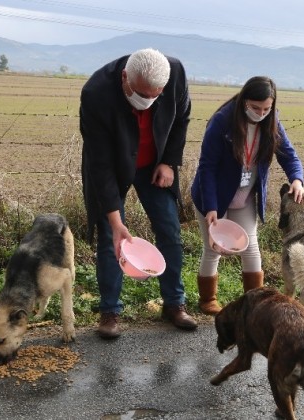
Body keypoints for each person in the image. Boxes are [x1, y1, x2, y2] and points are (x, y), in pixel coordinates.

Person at [80, 48, 196, 338]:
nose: (147, 103)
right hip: (113, 167)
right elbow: (101, 164)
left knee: (169, 230)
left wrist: (169, 161)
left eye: (154, 95)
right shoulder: (96, 93)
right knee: (112, 237)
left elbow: (181, 120)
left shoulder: (176, 74)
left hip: (155, 164)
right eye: (142, 95)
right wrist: (115, 219)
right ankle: (110, 312)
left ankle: (174, 303)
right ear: (124, 78)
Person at [190, 76, 304, 315]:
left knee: (251, 248)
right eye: (255, 108)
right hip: (213, 196)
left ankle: (254, 304)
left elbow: (289, 155)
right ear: (244, 101)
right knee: (214, 248)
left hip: (244, 198)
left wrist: (297, 179)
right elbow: (207, 167)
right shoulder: (222, 121)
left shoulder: (272, 122)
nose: (261, 114)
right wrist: (212, 208)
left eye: (266, 109)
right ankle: (207, 301)